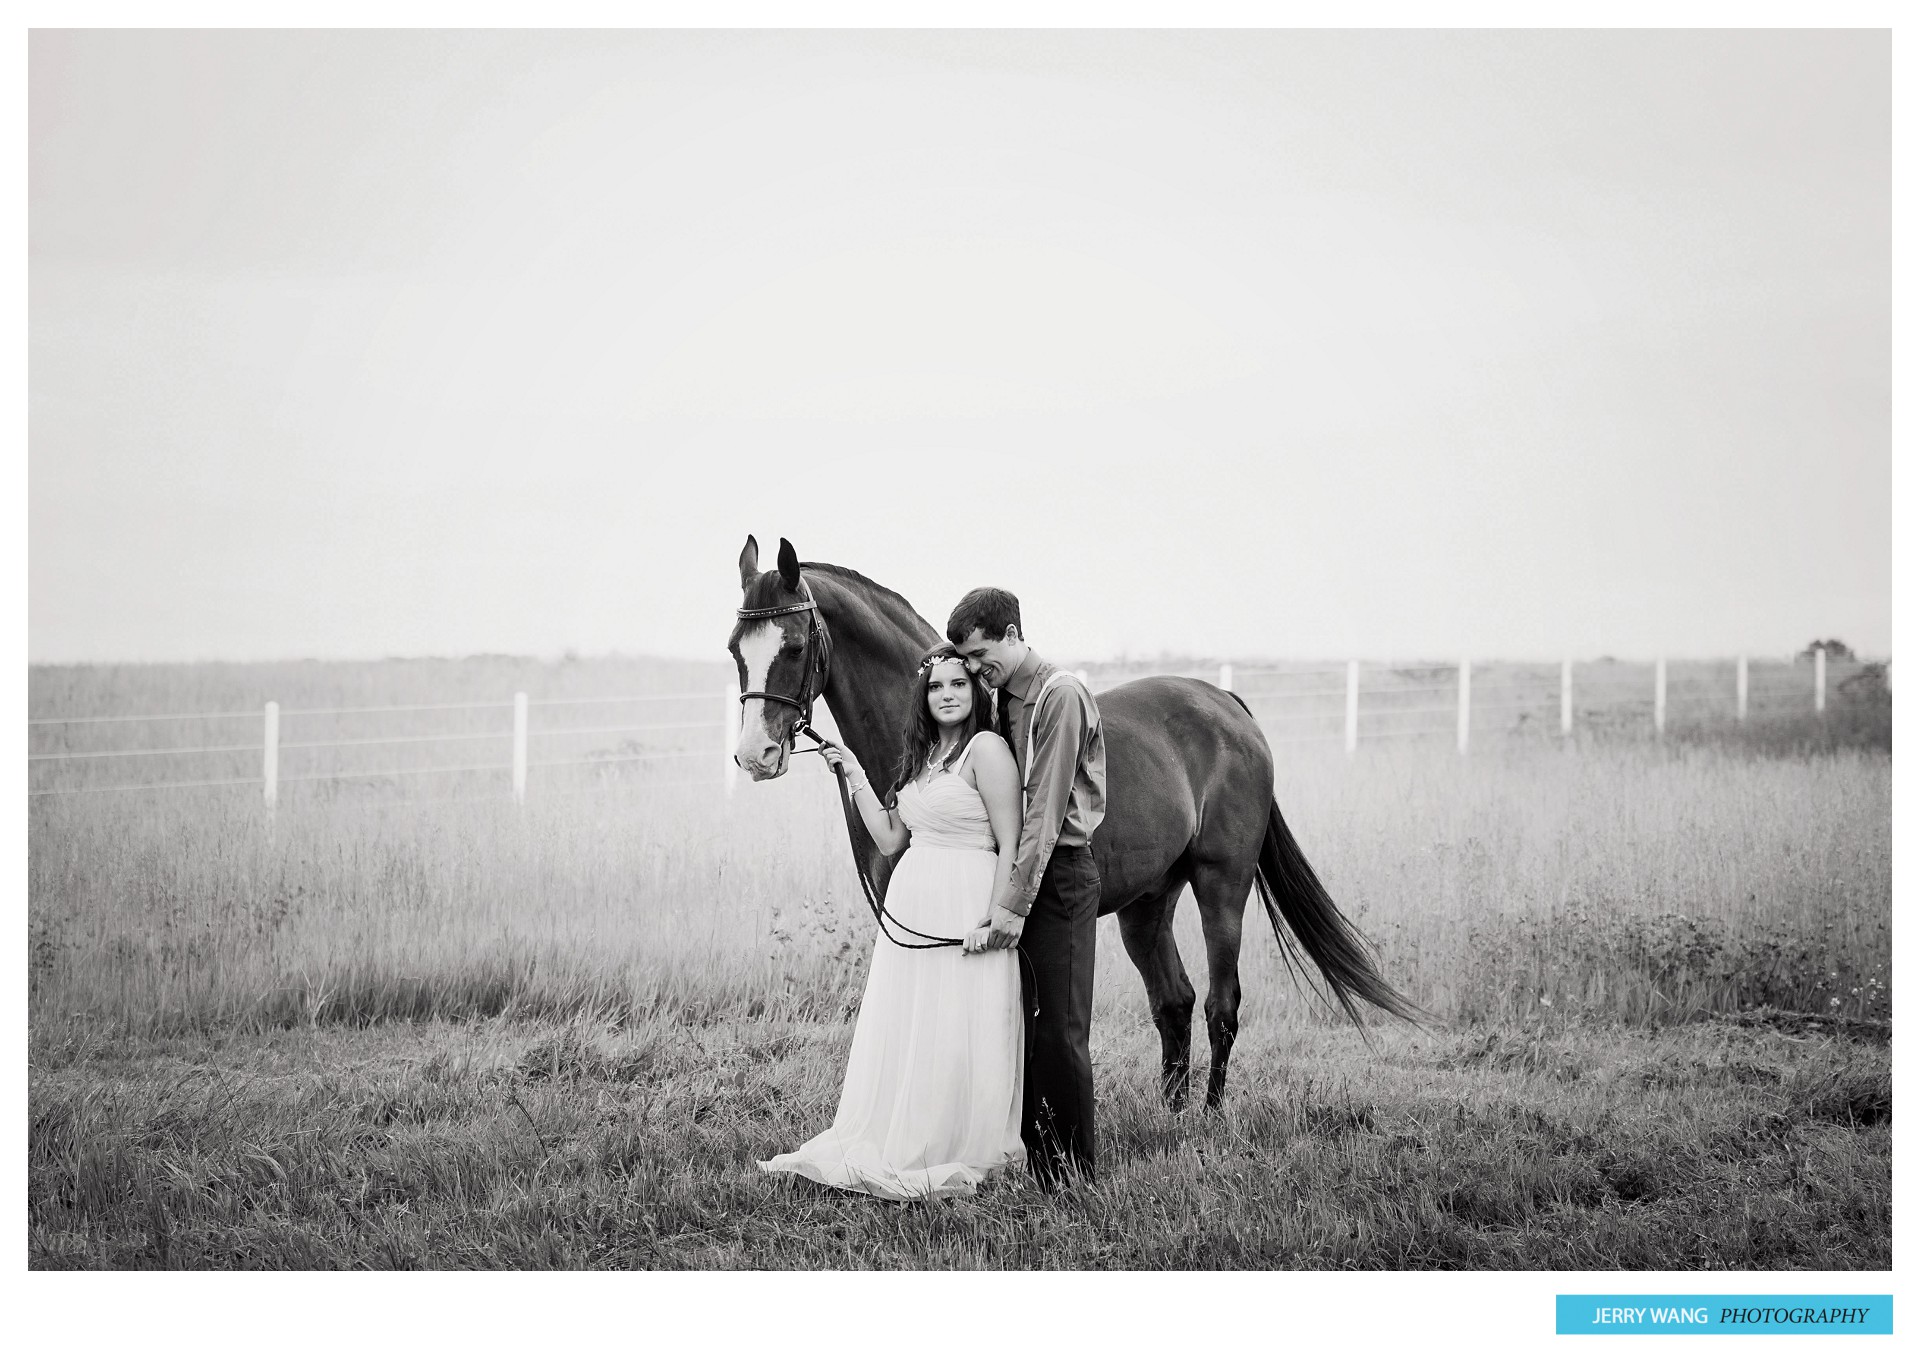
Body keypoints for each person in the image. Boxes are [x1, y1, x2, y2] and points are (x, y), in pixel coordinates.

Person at [758, 642, 1027, 1200]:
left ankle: (956, 1141)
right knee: (913, 1023)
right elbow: (890, 837)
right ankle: (901, 1129)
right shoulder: (921, 760)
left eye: (957, 683)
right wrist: (853, 770)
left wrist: (998, 915)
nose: (946, 695)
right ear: (922, 697)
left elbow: (1011, 843)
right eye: (935, 687)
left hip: (966, 900)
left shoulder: (988, 750)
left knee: (960, 1023)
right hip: (913, 901)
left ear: (975, 690)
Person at [948, 587, 1106, 1188]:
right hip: (1025, 871)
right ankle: (1040, 1160)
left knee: (1061, 1030)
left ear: (1013, 633)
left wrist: (1012, 905)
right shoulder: (1002, 697)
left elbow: (1044, 810)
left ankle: (1074, 1177)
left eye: (983, 653)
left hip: (1060, 874)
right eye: (967, 659)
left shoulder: (1057, 695)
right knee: (1028, 1026)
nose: (975, 668)